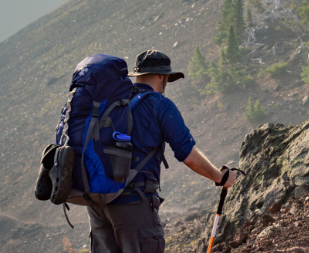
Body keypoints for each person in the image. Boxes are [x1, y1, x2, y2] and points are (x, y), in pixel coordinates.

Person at [88, 50, 235, 253]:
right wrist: (221, 178)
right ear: (162, 76)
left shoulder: (110, 103)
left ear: (137, 75)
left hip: (97, 203)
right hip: (133, 203)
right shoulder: (159, 105)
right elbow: (189, 156)